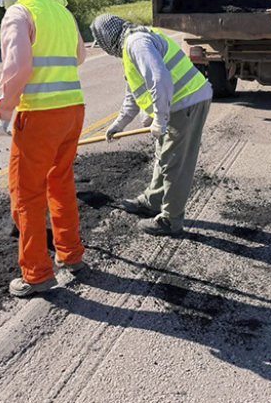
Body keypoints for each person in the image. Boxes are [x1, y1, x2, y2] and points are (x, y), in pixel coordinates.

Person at [0, 0, 87, 298]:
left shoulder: (18, 13)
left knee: (27, 194)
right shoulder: (61, 11)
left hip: (40, 115)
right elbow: (80, 57)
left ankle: (37, 274)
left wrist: (3, 113)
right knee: (60, 182)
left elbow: (17, 68)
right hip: (73, 109)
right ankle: (70, 254)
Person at [91, 14, 212, 237]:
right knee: (163, 155)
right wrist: (119, 124)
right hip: (178, 104)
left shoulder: (137, 43)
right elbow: (134, 93)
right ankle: (153, 201)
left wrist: (160, 119)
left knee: (175, 163)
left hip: (187, 102)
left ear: (107, 38)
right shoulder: (130, 45)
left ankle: (171, 220)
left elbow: (159, 79)